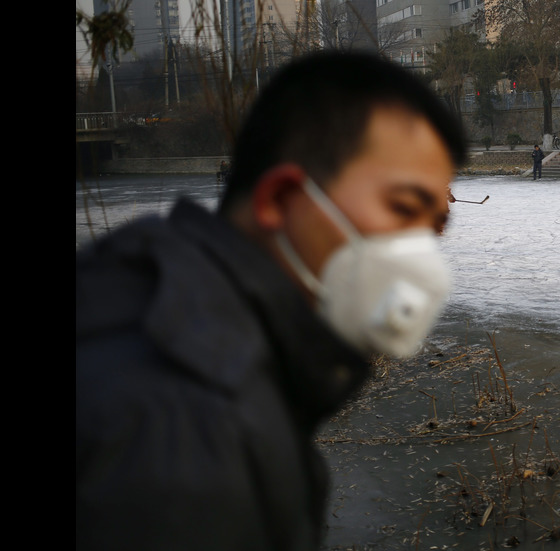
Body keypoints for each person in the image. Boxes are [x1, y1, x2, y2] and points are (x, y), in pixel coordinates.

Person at [76, 51, 468, 550]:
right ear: (280, 200)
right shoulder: (186, 428)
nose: (420, 255)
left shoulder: (152, 306)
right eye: (402, 209)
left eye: (433, 227)